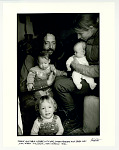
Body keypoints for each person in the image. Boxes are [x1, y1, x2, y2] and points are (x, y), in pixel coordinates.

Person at [54, 13, 99, 135]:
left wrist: (75, 65)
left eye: (81, 33)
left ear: (90, 27)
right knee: (58, 80)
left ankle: (74, 119)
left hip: (95, 82)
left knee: (59, 85)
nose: (78, 36)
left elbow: (100, 70)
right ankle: (72, 114)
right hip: (84, 75)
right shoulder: (90, 38)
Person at [19, 31, 64, 135]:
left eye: (53, 43)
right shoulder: (30, 59)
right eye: (46, 43)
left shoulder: (55, 58)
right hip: (31, 97)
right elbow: (21, 87)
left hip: (49, 96)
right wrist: (46, 83)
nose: (50, 47)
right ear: (41, 44)